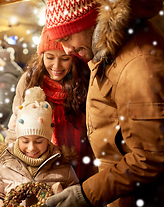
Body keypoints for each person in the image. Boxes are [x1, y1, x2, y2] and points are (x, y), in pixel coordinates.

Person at [44, 0, 164, 207]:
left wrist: (84, 194)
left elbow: (149, 157)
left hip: (140, 202)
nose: (66, 50)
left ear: (89, 23)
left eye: (68, 39)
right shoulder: (111, 47)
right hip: (126, 192)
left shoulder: (139, 64)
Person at [0, 87, 87, 207]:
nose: (31, 148)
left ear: (49, 138)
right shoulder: (2, 164)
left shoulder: (62, 166)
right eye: (25, 141)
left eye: (39, 141)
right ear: (18, 137)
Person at [6, 26, 96, 184]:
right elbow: (16, 124)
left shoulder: (84, 82)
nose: (57, 65)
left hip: (79, 161)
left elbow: (93, 129)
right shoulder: (30, 81)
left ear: (73, 57)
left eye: (65, 58)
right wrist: (13, 166)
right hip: (38, 164)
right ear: (41, 56)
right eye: (50, 57)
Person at [0, 48, 23, 129]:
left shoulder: (6, 78)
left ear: (0, 63)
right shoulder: (8, 75)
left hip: (7, 125)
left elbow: (3, 108)